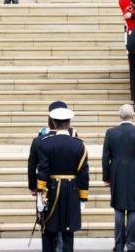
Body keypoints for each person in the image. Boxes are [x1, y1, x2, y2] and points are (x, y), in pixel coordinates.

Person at [36, 107, 89, 252]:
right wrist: (82, 198)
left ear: (53, 122)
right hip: (71, 191)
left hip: (51, 190)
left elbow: (43, 171)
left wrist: (40, 195)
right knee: (68, 231)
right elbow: (84, 174)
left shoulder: (45, 143)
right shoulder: (79, 144)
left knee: (48, 229)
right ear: (69, 123)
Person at [28, 101, 76, 252]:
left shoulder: (40, 138)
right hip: (68, 187)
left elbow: (32, 164)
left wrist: (33, 186)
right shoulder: (73, 136)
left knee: (47, 225)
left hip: (46, 187)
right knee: (66, 225)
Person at [103, 104, 135, 252]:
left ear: (119, 116)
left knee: (118, 209)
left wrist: (106, 176)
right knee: (133, 208)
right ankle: (132, 245)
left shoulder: (111, 133)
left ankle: (118, 245)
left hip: (116, 172)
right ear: (133, 116)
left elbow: (106, 157)